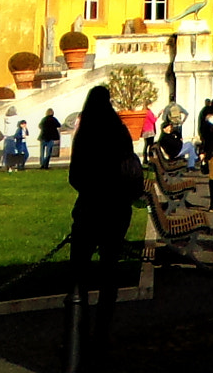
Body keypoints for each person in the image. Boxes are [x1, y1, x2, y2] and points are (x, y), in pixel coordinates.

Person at [67, 87, 142, 348]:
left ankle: (78, 331)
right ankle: (102, 332)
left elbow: (74, 176)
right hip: (117, 209)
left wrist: (90, 189)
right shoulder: (119, 131)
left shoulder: (85, 133)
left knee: (79, 274)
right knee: (109, 271)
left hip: (89, 208)